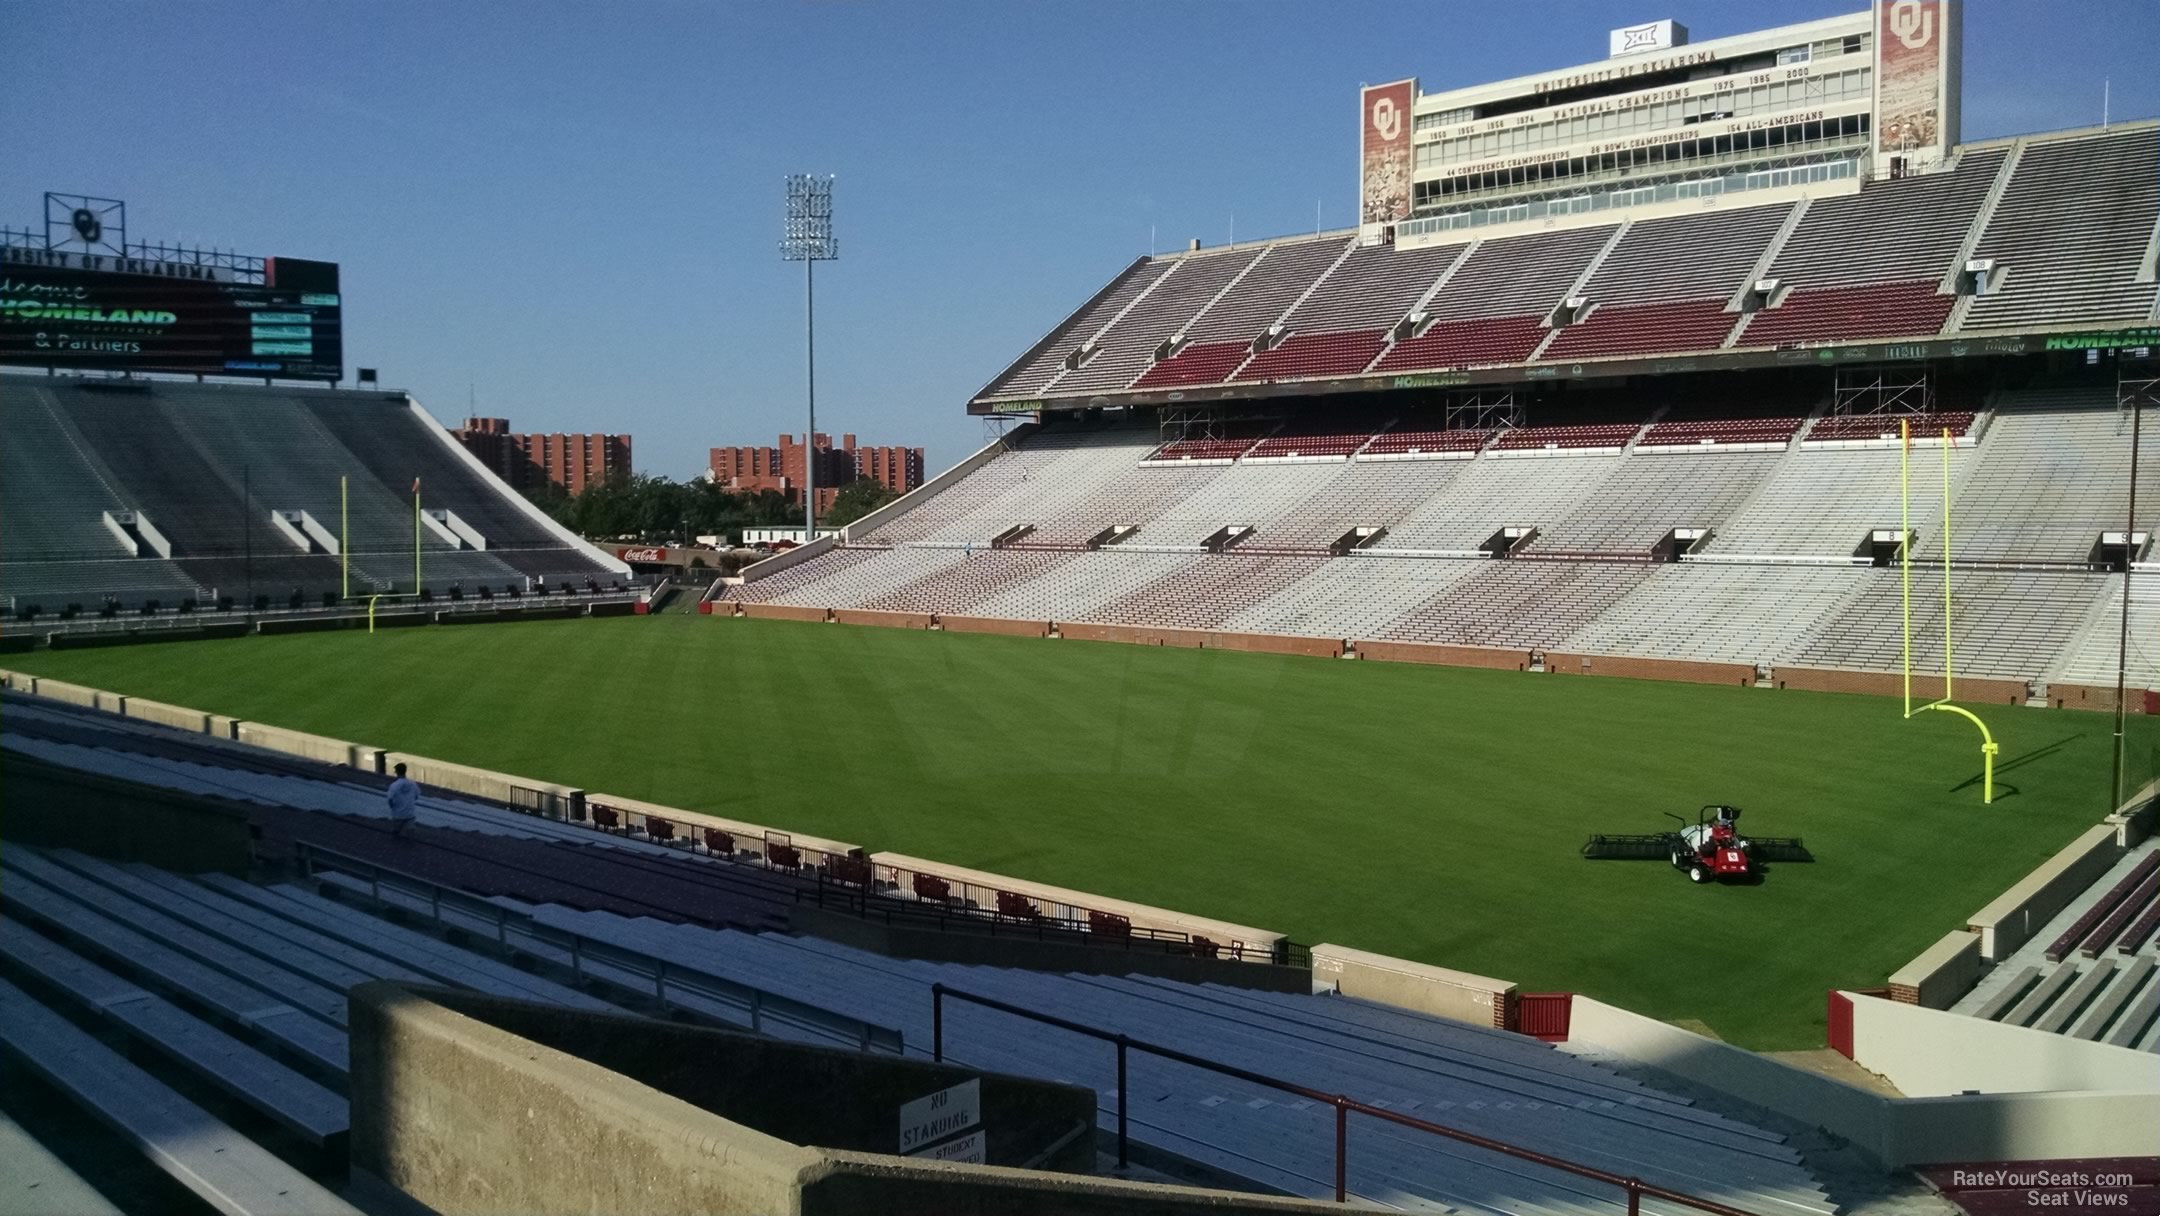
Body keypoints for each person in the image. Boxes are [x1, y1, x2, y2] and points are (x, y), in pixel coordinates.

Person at [385, 763, 419, 837]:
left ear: (396, 772)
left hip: (398, 815)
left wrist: (393, 808)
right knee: (410, 835)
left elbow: (390, 800)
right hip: (410, 814)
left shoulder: (394, 785)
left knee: (395, 834)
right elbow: (416, 796)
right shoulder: (413, 784)